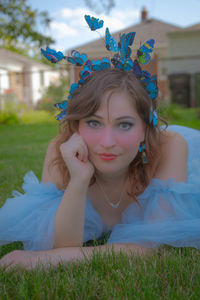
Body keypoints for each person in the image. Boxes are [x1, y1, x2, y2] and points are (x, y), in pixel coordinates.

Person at [0, 16, 200, 271]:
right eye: (94, 123)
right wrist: (78, 181)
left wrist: (47, 259)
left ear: (145, 128)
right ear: (76, 125)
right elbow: (64, 243)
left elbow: (148, 247)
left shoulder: (170, 147)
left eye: (124, 124)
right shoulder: (61, 152)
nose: (107, 142)